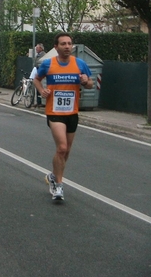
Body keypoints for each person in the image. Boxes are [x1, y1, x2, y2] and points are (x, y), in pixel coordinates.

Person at [33, 32, 93, 201]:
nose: (67, 46)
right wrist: (42, 91)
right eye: (63, 44)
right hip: (54, 112)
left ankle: (53, 176)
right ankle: (58, 186)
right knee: (62, 148)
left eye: (69, 43)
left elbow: (90, 84)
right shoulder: (48, 64)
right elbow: (36, 79)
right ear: (56, 47)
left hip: (72, 113)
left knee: (66, 152)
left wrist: (84, 81)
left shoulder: (79, 64)